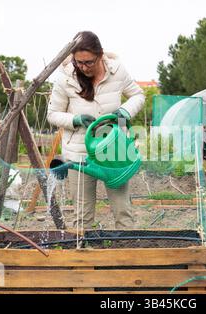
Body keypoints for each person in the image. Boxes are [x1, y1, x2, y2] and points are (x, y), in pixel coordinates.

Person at [47, 31, 145, 229]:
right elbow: (53, 114)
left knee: (123, 210)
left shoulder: (117, 71)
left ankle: (127, 255)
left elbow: (138, 95)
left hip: (114, 152)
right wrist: (75, 119)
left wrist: (125, 111)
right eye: (79, 63)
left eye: (89, 62)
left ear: (100, 55)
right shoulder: (65, 79)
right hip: (79, 154)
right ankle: (85, 256)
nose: (83, 67)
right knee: (82, 216)